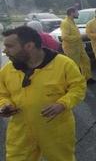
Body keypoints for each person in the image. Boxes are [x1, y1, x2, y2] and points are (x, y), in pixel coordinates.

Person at [0, 26, 86, 161]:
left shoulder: (63, 64)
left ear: (29, 46)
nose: (5, 51)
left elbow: (78, 87)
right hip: (20, 130)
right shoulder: (7, 70)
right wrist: (5, 105)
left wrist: (62, 104)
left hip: (55, 129)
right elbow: (2, 94)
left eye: (9, 46)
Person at [60, 7, 93, 83]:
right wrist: (80, 37)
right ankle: (75, 82)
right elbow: (64, 37)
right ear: (72, 13)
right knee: (74, 66)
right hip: (71, 48)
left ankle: (88, 78)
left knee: (86, 61)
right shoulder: (65, 23)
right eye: (77, 12)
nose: (78, 14)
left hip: (79, 47)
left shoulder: (72, 21)